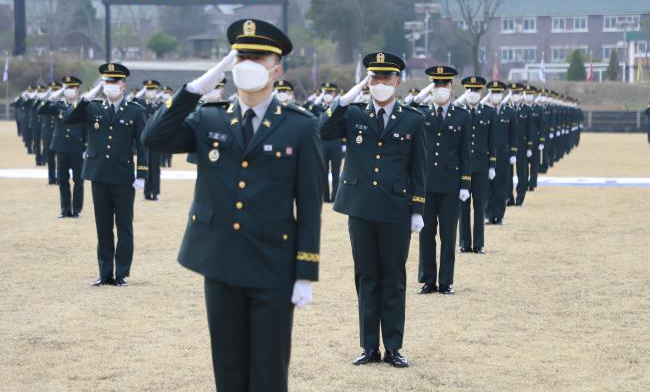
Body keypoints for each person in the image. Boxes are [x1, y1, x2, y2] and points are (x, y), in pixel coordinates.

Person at [142, 19, 323, 392]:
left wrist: (305, 271)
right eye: (241, 55)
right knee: (228, 369)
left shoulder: (300, 127)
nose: (249, 63)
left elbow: (308, 205)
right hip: (220, 262)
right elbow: (154, 137)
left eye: (259, 56)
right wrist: (195, 89)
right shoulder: (208, 117)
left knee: (269, 371)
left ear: (278, 68)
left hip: (273, 266)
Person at [320, 51, 426, 368]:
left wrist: (417, 209)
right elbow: (323, 129)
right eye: (374, 77)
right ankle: (369, 346)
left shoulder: (413, 119)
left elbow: (419, 169)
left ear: (397, 80)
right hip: (362, 209)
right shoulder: (353, 114)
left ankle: (393, 346)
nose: (380, 82)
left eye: (386, 77)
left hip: (396, 209)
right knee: (366, 277)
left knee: (393, 278)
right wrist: (348, 95)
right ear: (368, 81)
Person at [64, 63, 148, 287]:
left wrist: (141, 173)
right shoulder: (92, 107)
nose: (111, 86)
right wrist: (88, 95)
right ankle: (105, 273)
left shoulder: (135, 110)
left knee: (124, 226)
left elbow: (142, 145)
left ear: (123, 85)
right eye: (107, 82)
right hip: (99, 175)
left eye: (114, 82)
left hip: (123, 177)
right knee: (103, 227)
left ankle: (121, 273)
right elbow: (69, 118)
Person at [417, 66, 470, 296]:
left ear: (451, 87)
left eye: (444, 84)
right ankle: (428, 280)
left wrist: (465, 184)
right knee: (426, 234)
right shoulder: (422, 113)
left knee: (448, 235)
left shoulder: (462, 116)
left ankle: (446, 280)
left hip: (450, 186)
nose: (440, 88)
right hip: (427, 185)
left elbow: (465, 153)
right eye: (436, 84)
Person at [457, 76, 496, 254]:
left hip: (481, 166)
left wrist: (492, 165)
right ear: (466, 91)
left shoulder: (489, 112)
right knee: (463, 207)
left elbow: (492, 141)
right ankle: (465, 242)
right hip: (462, 168)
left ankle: (479, 243)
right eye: (470, 90)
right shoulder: (459, 112)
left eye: (476, 90)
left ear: (481, 92)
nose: (473, 93)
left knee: (479, 206)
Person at [39, 76, 87, 218]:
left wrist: (87, 145)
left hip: (77, 147)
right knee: (62, 180)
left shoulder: (82, 106)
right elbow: (42, 110)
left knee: (78, 180)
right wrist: (52, 97)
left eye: (71, 88)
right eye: (66, 88)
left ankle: (77, 209)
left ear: (77, 89)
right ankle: (65, 209)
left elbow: (86, 127)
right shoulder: (58, 105)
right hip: (61, 147)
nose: (69, 91)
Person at [485, 81, 517, 225]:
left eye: (498, 92)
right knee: (487, 187)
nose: (496, 95)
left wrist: (513, 153)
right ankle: (488, 215)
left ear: (503, 94)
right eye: (493, 92)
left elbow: (513, 135)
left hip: (503, 155)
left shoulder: (509, 112)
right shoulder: (485, 112)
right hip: (486, 156)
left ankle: (499, 215)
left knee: (501, 187)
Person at [136, 79, 163, 200]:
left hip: (156, 141)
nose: (150, 92)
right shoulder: (141, 104)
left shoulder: (160, 106)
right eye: (148, 90)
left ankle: (155, 192)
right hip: (144, 141)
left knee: (155, 168)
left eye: (152, 90)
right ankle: (147, 192)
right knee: (146, 166)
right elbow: (132, 100)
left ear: (156, 91)